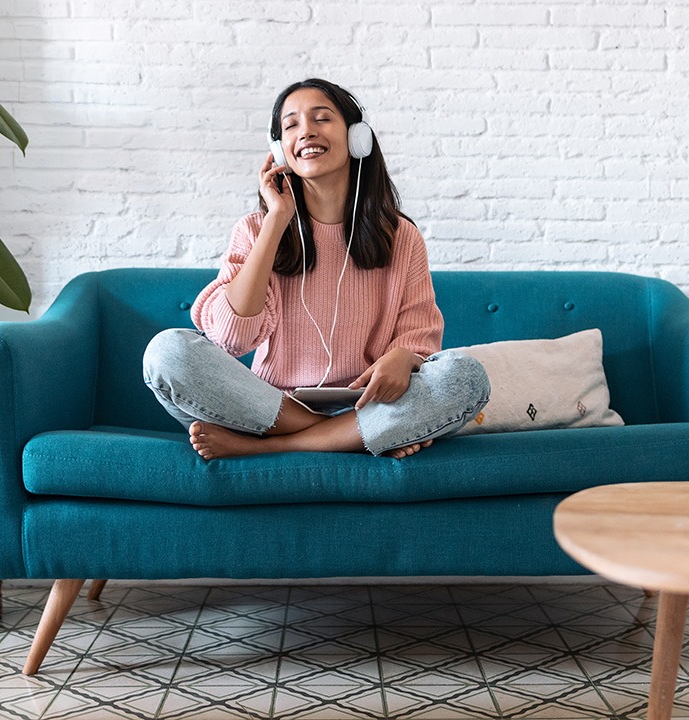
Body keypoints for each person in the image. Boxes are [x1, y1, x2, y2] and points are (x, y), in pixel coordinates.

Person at [143, 78, 489, 461]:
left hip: (367, 405)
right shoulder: (256, 230)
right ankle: (348, 439)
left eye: (321, 118)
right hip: (271, 409)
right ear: (279, 150)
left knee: (465, 376)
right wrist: (276, 220)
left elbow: (419, 339)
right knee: (167, 352)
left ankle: (274, 448)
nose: (306, 130)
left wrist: (404, 357)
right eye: (291, 125)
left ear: (358, 138)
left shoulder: (401, 236)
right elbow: (230, 338)